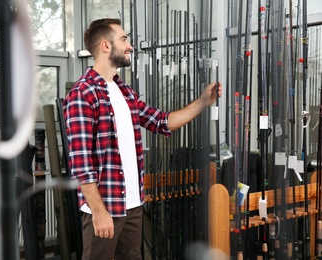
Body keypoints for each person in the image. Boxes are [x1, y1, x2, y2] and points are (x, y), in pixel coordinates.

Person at [63, 18, 222, 260]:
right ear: (106, 46)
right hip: (106, 206)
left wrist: (202, 102)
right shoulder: (82, 94)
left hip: (133, 204)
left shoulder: (124, 91)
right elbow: (81, 165)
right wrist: (98, 212)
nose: (130, 46)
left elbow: (160, 121)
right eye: (124, 40)